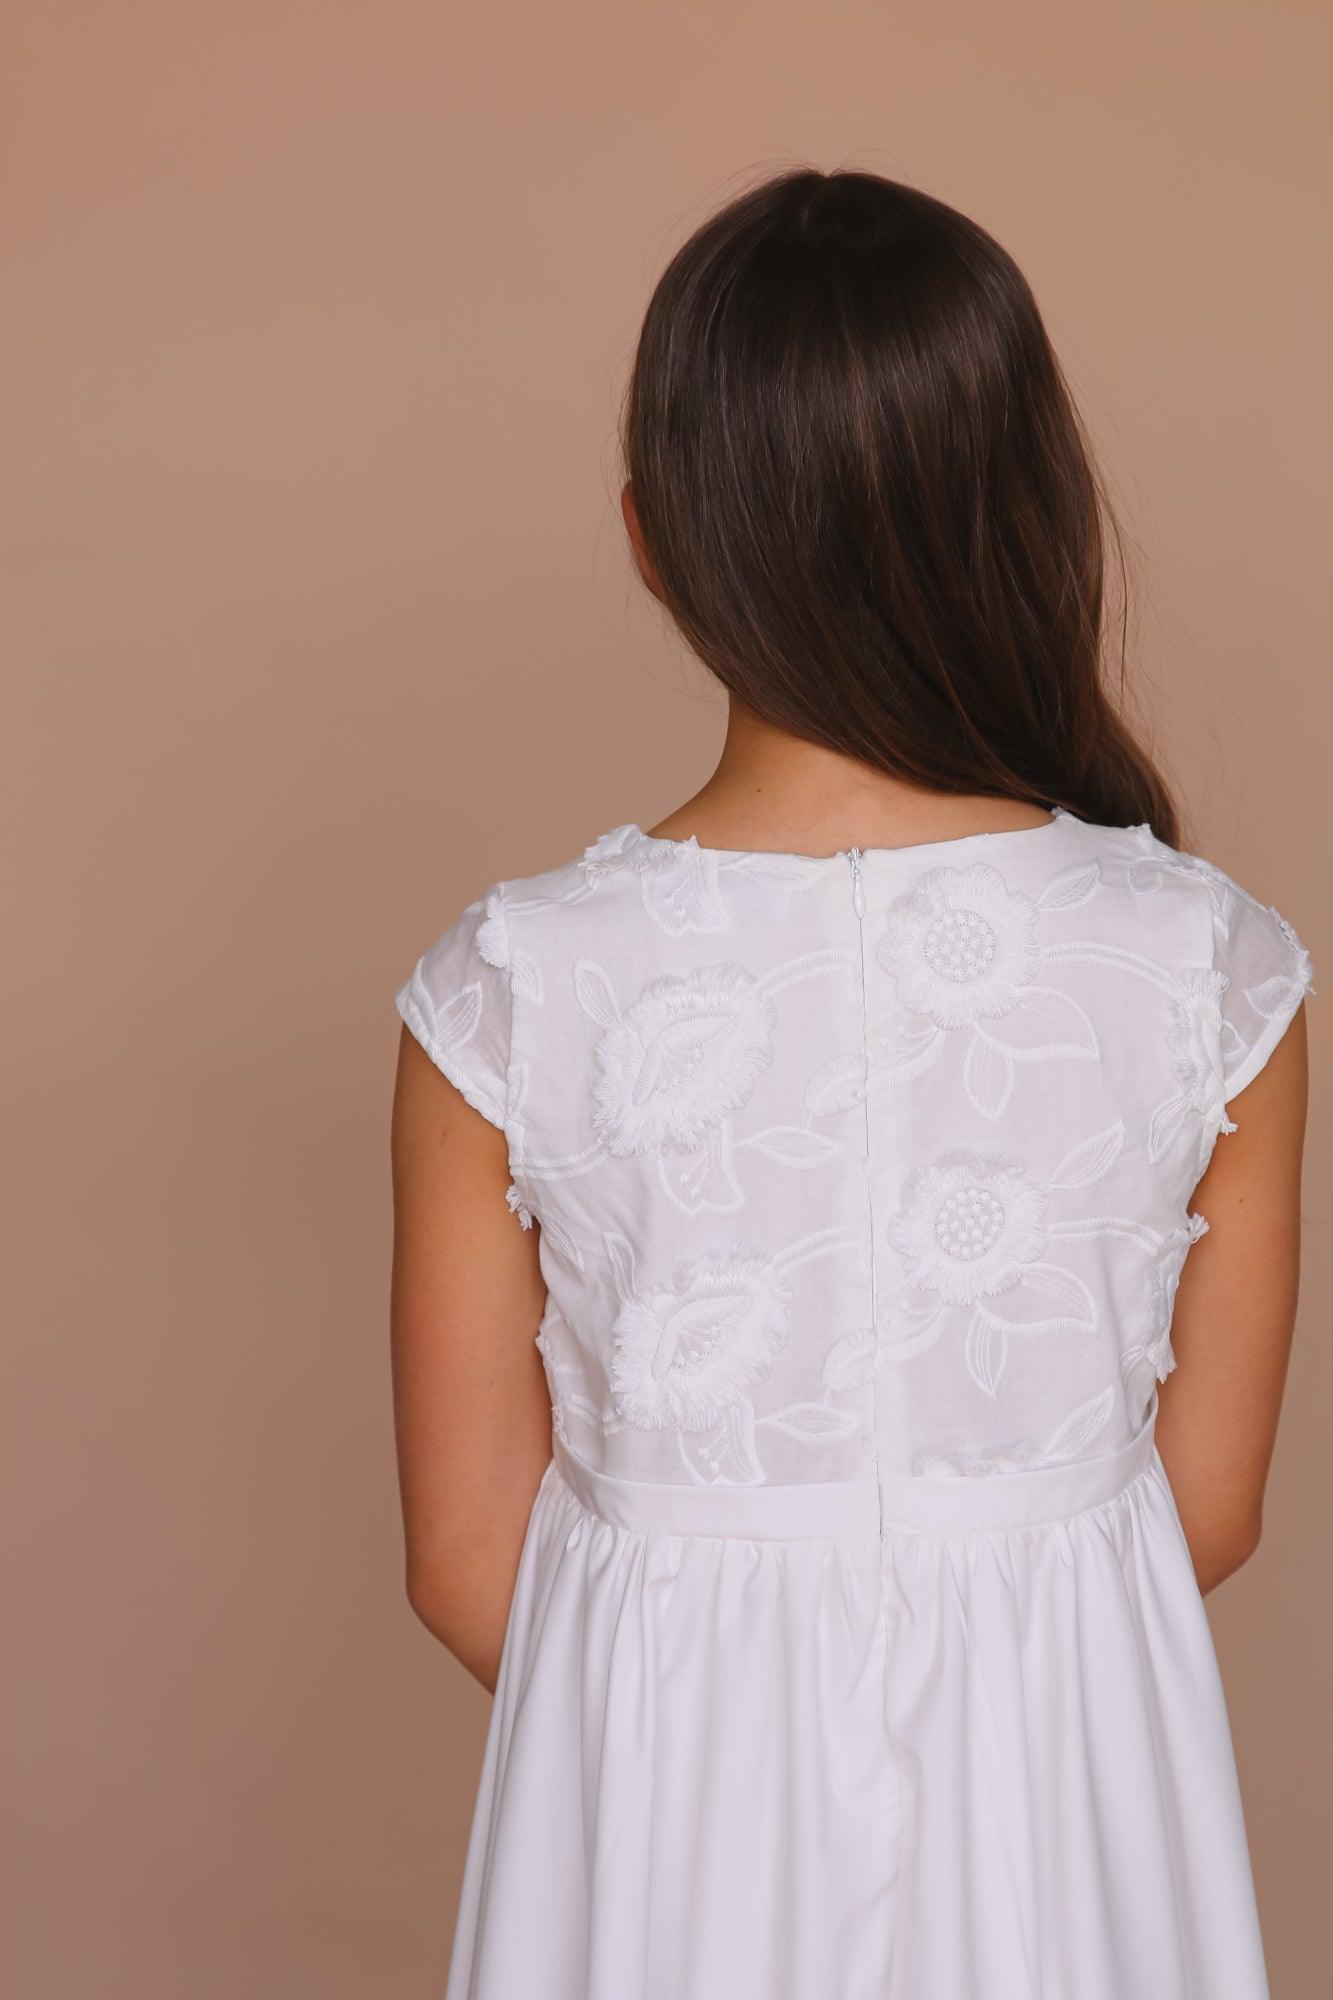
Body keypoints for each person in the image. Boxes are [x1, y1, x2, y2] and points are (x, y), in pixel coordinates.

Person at [388, 168, 1313, 2000]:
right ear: (1028, 514)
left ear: (652, 537)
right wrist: (978, 1707)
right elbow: (1205, 1505)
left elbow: (466, 1555)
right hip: (1063, 1813)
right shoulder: (1211, 967)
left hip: (657, 1830)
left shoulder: (508, 988)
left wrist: (722, 1735)